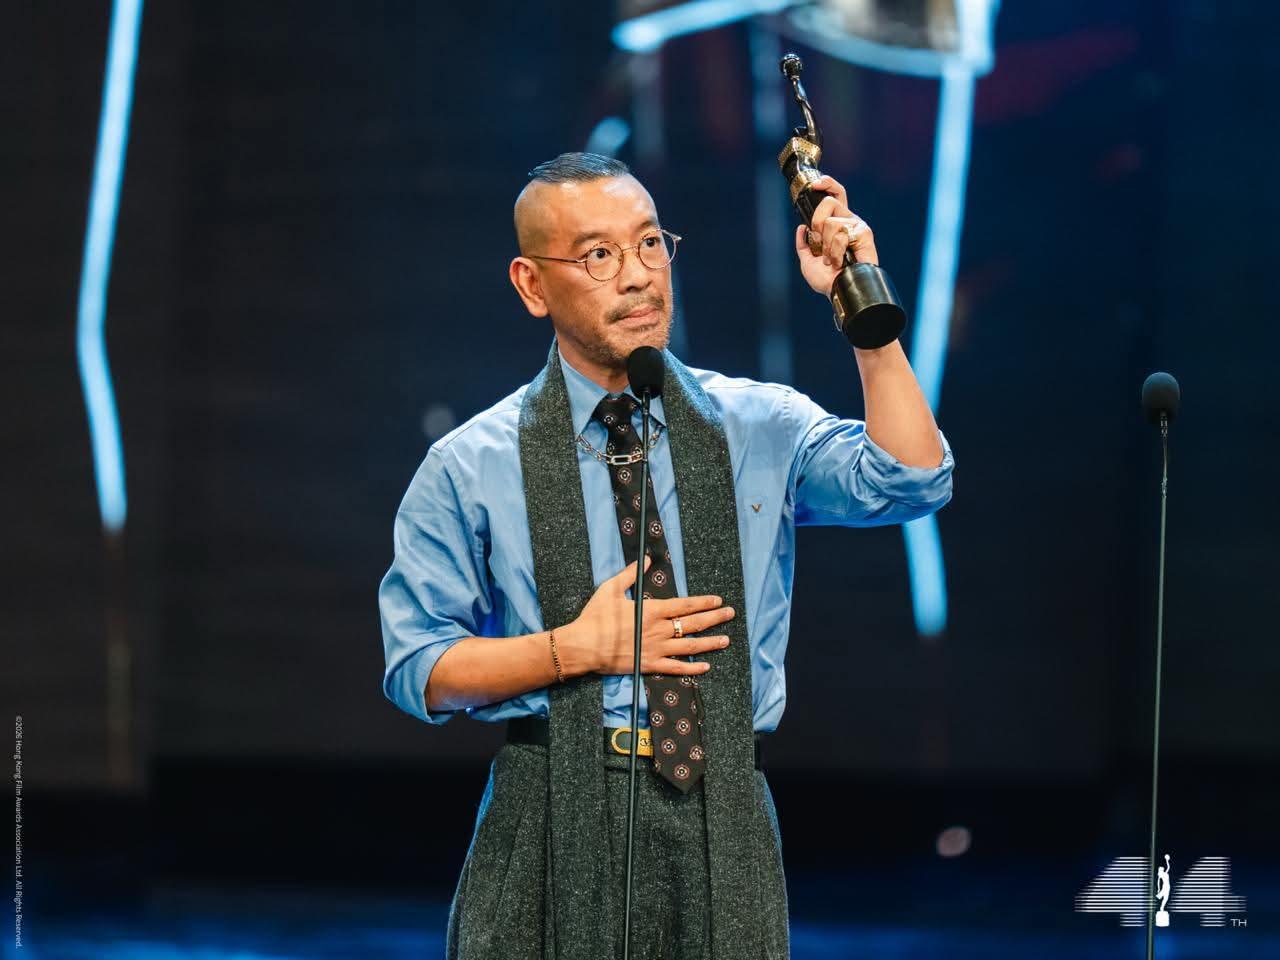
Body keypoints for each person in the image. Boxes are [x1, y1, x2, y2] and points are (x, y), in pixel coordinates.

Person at [379, 152, 954, 960]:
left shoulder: (755, 424)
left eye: (651, 243)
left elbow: (912, 479)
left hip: (724, 812)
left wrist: (860, 301)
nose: (638, 275)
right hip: (548, 811)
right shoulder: (471, 463)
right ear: (532, 285)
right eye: (598, 255)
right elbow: (419, 668)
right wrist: (572, 650)